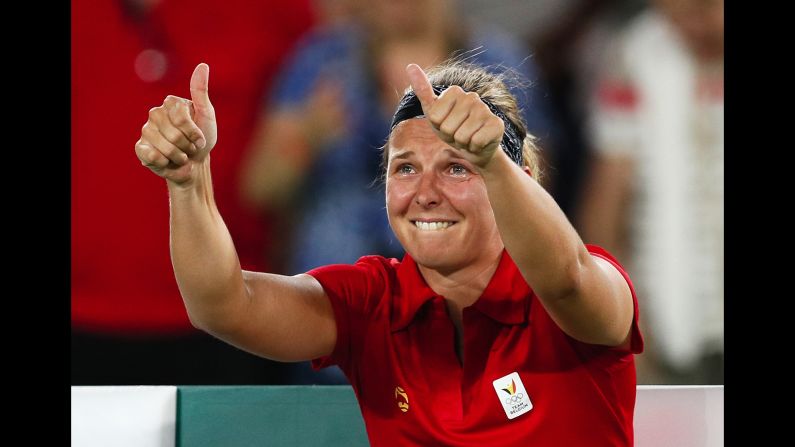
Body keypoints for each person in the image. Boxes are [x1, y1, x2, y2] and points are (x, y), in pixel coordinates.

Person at [135, 60, 643, 445]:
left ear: (519, 180)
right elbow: (223, 305)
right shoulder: (374, 302)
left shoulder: (586, 284)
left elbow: (568, 280)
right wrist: (187, 181)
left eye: (457, 168)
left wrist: (491, 158)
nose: (425, 192)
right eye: (405, 168)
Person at [578, 0, 723, 384]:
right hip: (669, 336)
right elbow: (606, 207)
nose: (693, 23)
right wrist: (623, 333)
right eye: (676, 12)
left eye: (706, 9)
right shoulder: (634, 55)